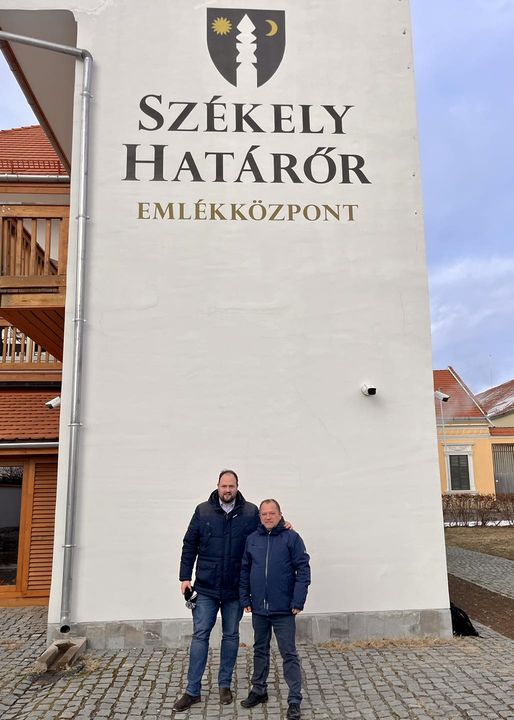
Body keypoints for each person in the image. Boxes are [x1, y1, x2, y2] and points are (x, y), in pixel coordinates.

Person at [173, 469, 260, 711]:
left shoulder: (250, 512)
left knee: (231, 636)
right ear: (218, 486)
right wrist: (184, 577)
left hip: (234, 588)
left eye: (231, 486)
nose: (227, 490)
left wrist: (284, 525)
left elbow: (265, 533)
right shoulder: (203, 511)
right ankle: (192, 691)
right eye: (224, 486)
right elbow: (189, 544)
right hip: (206, 587)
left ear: (237, 487)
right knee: (200, 635)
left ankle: (224, 685)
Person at [239, 499, 311, 720]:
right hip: (259, 608)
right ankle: (259, 690)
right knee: (260, 650)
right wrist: (245, 597)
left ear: (280, 515)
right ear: (260, 517)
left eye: (272, 513)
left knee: (288, 653)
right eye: (264, 514)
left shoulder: (292, 538)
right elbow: (245, 569)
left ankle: (294, 700)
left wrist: (298, 600)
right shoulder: (252, 539)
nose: (268, 517)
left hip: (284, 609)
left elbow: (303, 569)